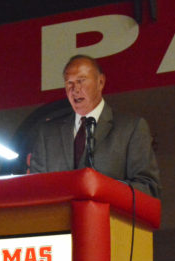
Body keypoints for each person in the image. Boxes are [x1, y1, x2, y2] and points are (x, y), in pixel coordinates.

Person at [29, 54, 161, 198]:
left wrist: (101, 187)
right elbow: (35, 191)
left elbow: (149, 188)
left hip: (109, 219)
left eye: (81, 81)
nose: (75, 89)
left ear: (100, 82)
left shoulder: (131, 128)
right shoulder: (47, 134)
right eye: (69, 83)